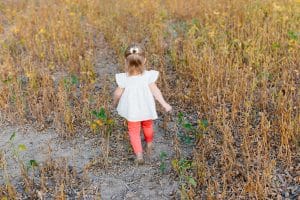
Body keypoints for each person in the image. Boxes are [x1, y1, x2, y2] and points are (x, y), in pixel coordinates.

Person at [113, 44, 172, 164]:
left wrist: (114, 102)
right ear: (144, 60)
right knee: (147, 126)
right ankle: (149, 143)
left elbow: (117, 94)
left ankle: (139, 155)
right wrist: (164, 103)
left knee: (134, 131)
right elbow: (156, 91)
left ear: (125, 61)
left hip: (132, 111)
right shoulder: (148, 76)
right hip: (146, 109)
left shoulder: (124, 78)